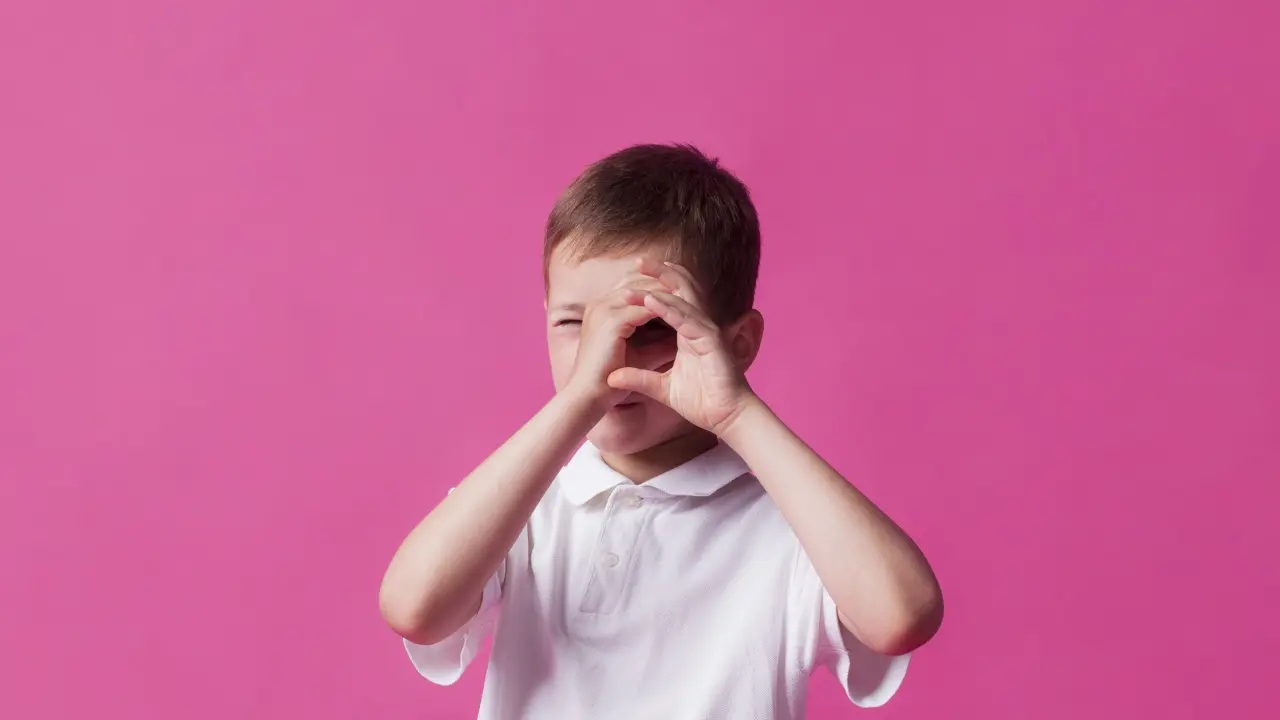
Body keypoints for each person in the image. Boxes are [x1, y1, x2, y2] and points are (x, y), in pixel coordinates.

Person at [378, 144, 943, 719]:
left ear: (736, 345)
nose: (606, 354)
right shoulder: (522, 506)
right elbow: (414, 609)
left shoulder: (793, 526)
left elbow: (901, 616)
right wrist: (577, 401)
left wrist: (737, 412)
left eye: (650, 327)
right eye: (574, 323)